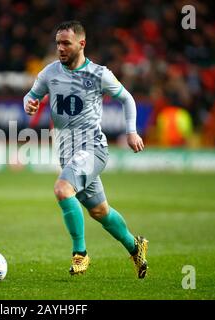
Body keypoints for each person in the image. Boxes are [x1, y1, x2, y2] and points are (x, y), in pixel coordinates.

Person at [23, 21, 148, 278]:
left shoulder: (99, 74)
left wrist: (131, 131)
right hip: (67, 152)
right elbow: (31, 95)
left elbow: (127, 98)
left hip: (92, 148)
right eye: (58, 43)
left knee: (62, 189)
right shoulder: (49, 73)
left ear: (82, 44)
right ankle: (136, 246)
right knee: (99, 211)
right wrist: (30, 103)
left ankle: (80, 253)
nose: (60, 48)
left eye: (66, 43)